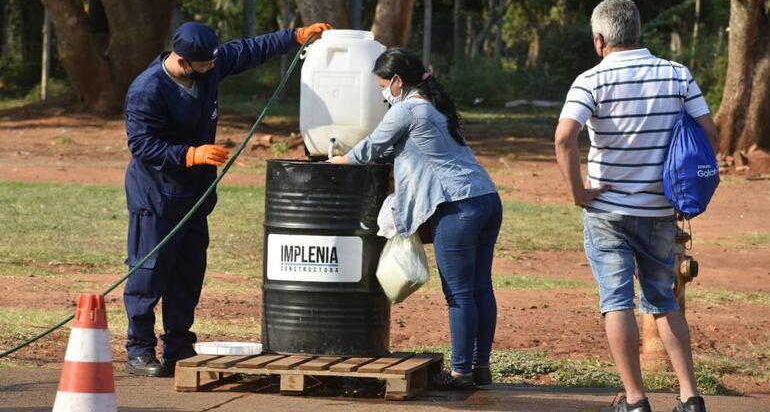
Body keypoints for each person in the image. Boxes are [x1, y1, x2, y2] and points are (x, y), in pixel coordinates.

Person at [123, 21, 332, 377]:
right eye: (205, 65)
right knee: (150, 274)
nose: (212, 69)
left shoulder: (209, 66)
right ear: (185, 61)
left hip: (195, 196)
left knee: (188, 275)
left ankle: (178, 346)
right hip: (156, 196)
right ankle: (139, 349)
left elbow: (250, 49)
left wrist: (295, 36)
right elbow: (141, 144)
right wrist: (190, 155)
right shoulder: (148, 89)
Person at [555, 0, 717, 412]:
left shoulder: (590, 80)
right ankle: (690, 397)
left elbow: (564, 137)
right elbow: (707, 132)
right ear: (637, 32)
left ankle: (635, 400)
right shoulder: (677, 75)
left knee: (616, 301)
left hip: (607, 210)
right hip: (660, 210)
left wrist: (577, 192)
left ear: (599, 39)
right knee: (663, 299)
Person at [329, 48, 502, 389]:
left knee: (459, 294)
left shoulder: (408, 108)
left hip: (458, 207)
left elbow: (372, 147)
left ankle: (461, 374)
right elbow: (407, 149)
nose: (381, 93)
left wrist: (337, 162)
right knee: (480, 288)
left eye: (382, 85)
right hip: (486, 199)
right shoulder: (435, 106)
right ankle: (480, 368)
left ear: (396, 81)